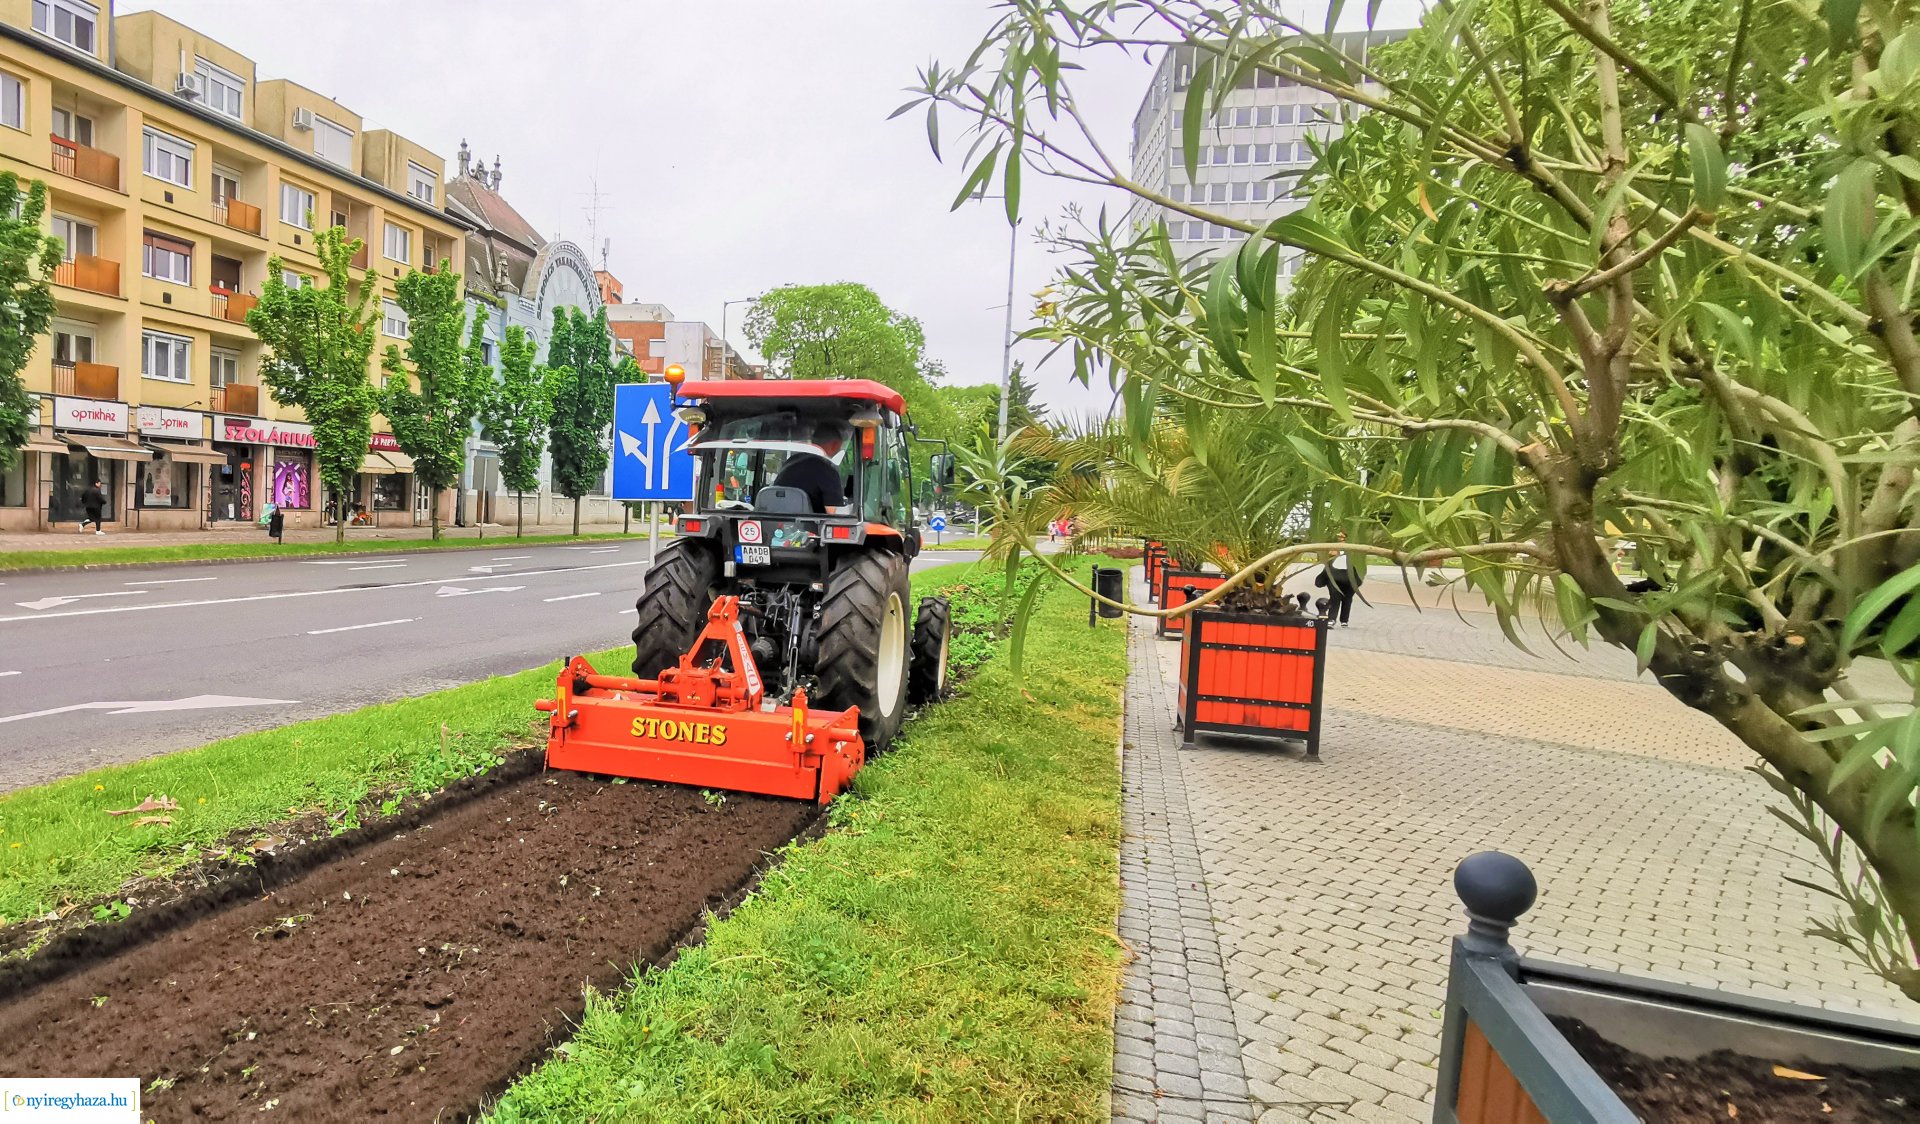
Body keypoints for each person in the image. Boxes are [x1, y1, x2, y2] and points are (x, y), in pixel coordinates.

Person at [769, 422, 847, 512]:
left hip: (776, 521)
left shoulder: (791, 462)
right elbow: (833, 514)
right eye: (840, 447)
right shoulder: (828, 471)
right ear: (835, 444)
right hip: (810, 525)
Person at [1315, 531, 1358, 627]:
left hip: (1349, 578)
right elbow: (1328, 566)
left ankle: (1344, 620)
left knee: (1347, 599)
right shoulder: (1333, 551)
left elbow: (1359, 568)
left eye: (1342, 537)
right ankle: (1331, 619)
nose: (1340, 539)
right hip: (1334, 577)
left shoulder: (1353, 550)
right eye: (1339, 537)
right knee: (1334, 598)